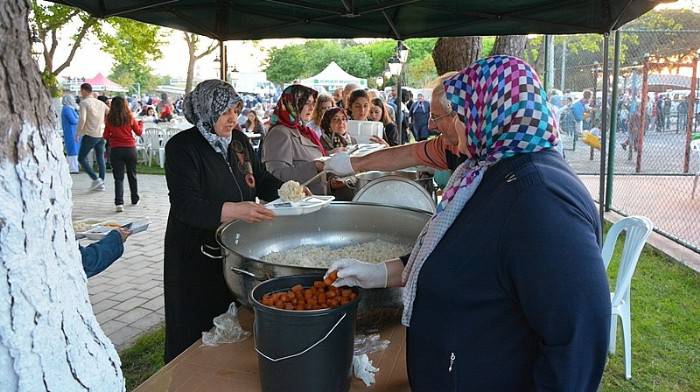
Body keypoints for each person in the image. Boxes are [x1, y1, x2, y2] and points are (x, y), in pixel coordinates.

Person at [324, 56, 610, 390]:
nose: (454, 125)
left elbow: (578, 339)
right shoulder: (485, 167)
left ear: (492, 112)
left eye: (460, 113)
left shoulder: (540, 199)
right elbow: (464, 259)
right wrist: (378, 273)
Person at [163, 79, 282, 362]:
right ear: (206, 111)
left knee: (231, 318)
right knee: (196, 325)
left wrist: (291, 190)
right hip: (194, 255)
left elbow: (260, 179)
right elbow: (186, 205)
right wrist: (237, 210)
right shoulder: (182, 148)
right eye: (225, 112)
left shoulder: (238, 141)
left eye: (236, 110)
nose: (233, 118)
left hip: (234, 247)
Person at [262, 84, 326, 195]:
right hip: (295, 206)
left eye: (313, 103)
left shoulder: (304, 130)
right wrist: (315, 166)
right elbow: (276, 175)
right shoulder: (279, 133)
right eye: (306, 103)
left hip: (312, 201)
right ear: (291, 104)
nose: (311, 108)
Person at [103, 96, 143, 212]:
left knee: (118, 178)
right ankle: (134, 199)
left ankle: (119, 203)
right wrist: (141, 124)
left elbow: (105, 135)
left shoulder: (110, 118)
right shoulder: (129, 117)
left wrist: (113, 137)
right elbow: (139, 132)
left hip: (116, 150)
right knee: (132, 175)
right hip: (130, 149)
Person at [77, 82, 109, 191]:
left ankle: (96, 179)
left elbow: (82, 119)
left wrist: (78, 133)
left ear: (84, 90)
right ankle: (102, 182)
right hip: (101, 134)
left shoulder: (84, 103)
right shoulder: (101, 103)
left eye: (81, 91)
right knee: (100, 157)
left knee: (81, 158)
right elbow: (110, 114)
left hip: (90, 134)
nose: (80, 93)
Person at [61, 95, 81, 173]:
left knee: (74, 149)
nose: (74, 101)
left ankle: (73, 167)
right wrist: (80, 120)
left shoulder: (70, 109)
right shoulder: (67, 109)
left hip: (73, 132)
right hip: (70, 132)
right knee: (72, 150)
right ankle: (73, 168)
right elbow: (73, 120)